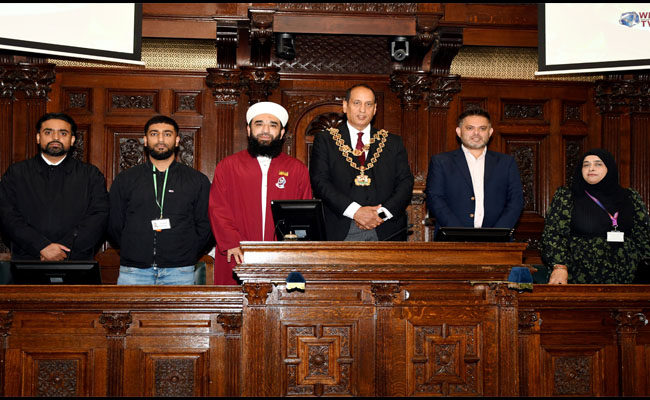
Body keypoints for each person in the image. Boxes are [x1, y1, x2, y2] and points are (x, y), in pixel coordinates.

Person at [209, 102, 312, 285]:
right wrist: (231, 242)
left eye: (273, 125)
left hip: (282, 256)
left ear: (281, 133)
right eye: (259, 124)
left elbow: (304, 213)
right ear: (249, 130)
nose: (265, 130)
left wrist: (294, 249)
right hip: (237, 253)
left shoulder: (297, 169)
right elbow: (218, 209)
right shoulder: (228, 166)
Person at [108, 115, 213, 285]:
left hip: (180, 271)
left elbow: (206, 225)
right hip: (134, 271)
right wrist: (133, 249)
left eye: (167, 134)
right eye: (154, 134)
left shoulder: (196, 180)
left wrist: (186, 253)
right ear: (145, 140)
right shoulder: (126, 179)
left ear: (177, 140)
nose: (161, 139)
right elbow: (114, 224)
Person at [310, 84, 414, 241]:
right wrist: (356, 212)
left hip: (385, 228)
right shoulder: (326, 139)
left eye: (369, 104)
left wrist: (380, 215)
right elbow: (320, 181)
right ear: (345, 106)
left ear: (375, 109)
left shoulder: (393, 142)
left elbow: (405, 183)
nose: (363, 109)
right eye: (357, 103)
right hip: (340, 227)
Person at [0, 112, 109, 261]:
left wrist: (64, 248)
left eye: (63, 133)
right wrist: (41, 246)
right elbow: (7, 215)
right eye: (48, 132)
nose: (55, 138)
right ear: (38, 138)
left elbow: (98, 216)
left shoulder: (91, 175)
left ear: (72, 140)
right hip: (27, 260)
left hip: (76, 260)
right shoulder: (16, 173)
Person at [542, 149, 650, 284]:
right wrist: (559, 266)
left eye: (598, 164)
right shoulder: (567, 196)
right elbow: (553, 234)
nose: (591, 168)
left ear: (609, 168)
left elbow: (643, 236)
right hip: (579, 276)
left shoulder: (630, 197)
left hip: (627, 277)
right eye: (586, 165)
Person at [425, 108, 524, 232]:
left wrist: (497, 233)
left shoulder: (506, 162)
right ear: (459, 131)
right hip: (452, 238)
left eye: (482, 128)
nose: (476, 133)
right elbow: (435, 199)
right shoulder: (441, 162)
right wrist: (459, 233)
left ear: (490, 132)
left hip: (498, 239)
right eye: (470, 128)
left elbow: (516, 201)